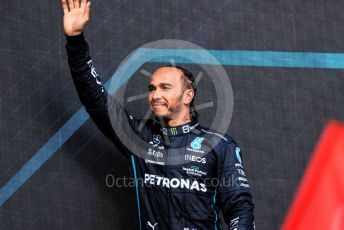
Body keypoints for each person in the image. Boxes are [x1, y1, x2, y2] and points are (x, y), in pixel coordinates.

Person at [61, 0, 255, 229]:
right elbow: (95, 100)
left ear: (188, 95)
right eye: (152, 88)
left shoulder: (220, 145)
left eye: (165, 87)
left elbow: (239, 208)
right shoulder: (137, 137)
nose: (155, 95)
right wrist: (75, 42)